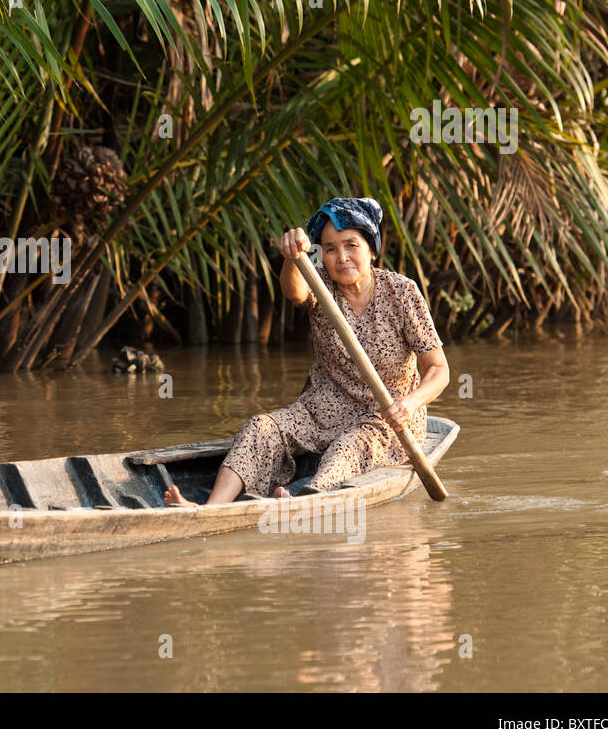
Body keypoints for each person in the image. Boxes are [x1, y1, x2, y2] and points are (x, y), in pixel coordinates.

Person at [163, 197, 450, 506]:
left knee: (349, 447)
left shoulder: (401, 292)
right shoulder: (320, 284)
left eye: (351, 245)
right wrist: (293, 256)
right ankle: (211, 510)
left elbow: (438, 370)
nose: (341, 257)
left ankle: (302, 500)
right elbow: (295, 290)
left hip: (384, 420)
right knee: (263, 427)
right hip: (321, 410)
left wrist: (408, 404)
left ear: (371, 249)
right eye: (329, 249)